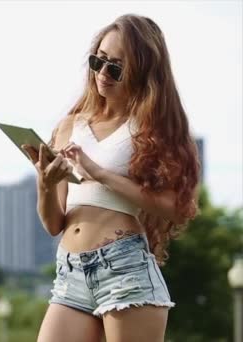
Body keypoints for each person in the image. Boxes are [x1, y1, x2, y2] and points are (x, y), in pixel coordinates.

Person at [21, 14, 200, 342]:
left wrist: (100, 173)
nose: (103, 74)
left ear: (143, 71)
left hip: (124, 269)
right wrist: (45, 183)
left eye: (116, 67)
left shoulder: (152, 129)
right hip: (70, 272)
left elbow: (176, 207)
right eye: (98, 61)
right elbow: (53, 224)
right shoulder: (69, 125)